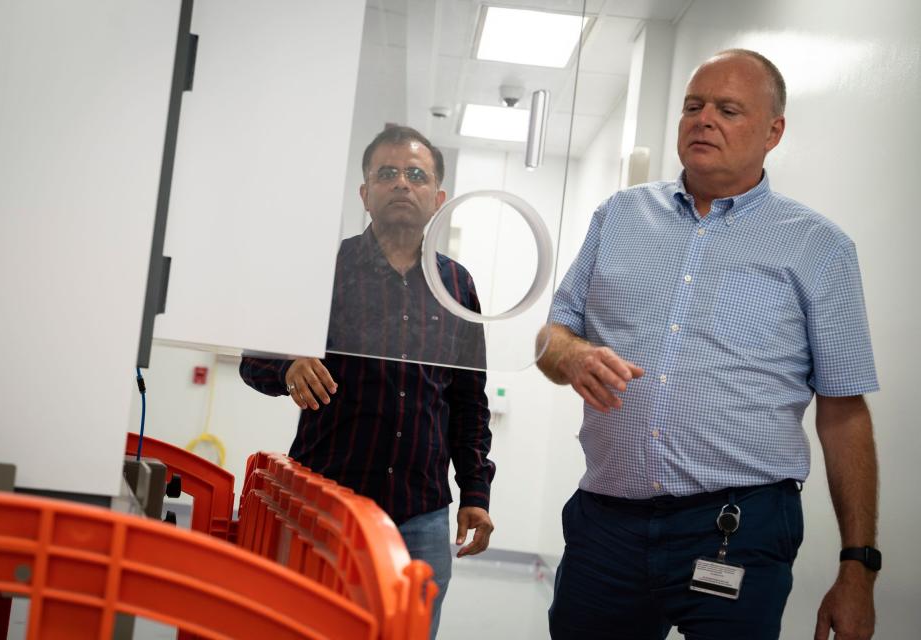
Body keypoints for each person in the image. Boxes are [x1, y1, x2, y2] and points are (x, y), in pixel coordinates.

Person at [537, 49, 879, 640]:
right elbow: (553, 333)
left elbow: (845, 411)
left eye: (727, 109)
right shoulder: (618, 217)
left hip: (737, 529)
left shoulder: (819, 249)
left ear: (773, 132)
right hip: (606, 524)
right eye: (693, 106)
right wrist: (566, 354)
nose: (704, 120)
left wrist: (859, 567)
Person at [240, 125, 495, 639]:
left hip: (421, 512)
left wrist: (476, 492)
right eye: (388, 173)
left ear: (438, 197)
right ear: (365, 192)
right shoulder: (326, 269)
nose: (403, 183)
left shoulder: (458, 285)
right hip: (327, 503)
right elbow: (253, 359)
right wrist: (288, 366)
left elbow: (468, 401)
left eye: (416, 175)